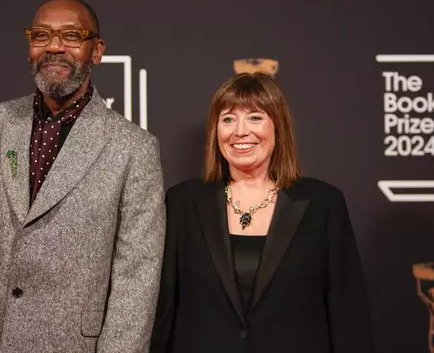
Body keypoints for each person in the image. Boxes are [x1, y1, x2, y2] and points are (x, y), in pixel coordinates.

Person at [0, 0, 165, 353]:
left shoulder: (133, 148)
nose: (54, 46)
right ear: (29, 47)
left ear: (96, 50)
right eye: (41, 36)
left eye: (71, 36)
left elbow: (135, 284)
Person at [150, 72, 374, 352]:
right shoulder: (182, 202)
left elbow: (348, 314)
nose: (240, 131)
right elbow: (163, 309)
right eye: (228, 119)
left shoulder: (322, 204)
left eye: (255, 117)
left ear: (278, 126)